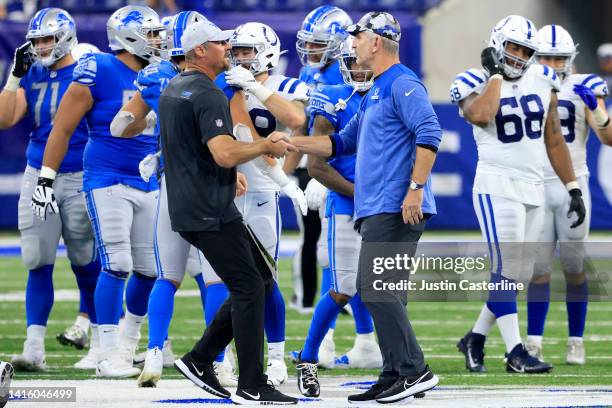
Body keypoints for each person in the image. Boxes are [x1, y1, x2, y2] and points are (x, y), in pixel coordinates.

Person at [284, 11, 441, 404]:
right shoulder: (375, 88)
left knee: (377, 289)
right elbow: (340, 143)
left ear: (377, 41)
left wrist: (415, 190)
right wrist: (291, 144)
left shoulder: (402, 82)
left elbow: (430, 132)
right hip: (376, 205)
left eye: (359, 36)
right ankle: (394, 373)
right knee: (380, 291)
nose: (352, 43)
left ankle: (414, 371)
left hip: (395, 204)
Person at [158, 19, 297, 404]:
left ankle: (200, 359)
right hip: (207, 208)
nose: (228, 49)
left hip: (199, 203)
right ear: (200, 50)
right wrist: (263, 146)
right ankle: (251, 383)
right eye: (220, 43)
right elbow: (223, 151)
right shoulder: (205, 93)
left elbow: (199, 150)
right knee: (250, 287)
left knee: (261, 279)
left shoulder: (177, 87)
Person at [31, 5, 166, 378]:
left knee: (150, 270)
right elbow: (62, 128)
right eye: (151, 33)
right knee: (117, 263)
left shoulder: (164, 71)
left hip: (147, 179)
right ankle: (106, 353)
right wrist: (46, 178)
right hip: (106, 177)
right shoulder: (99, 68)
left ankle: (127, 346)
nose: (157, 40)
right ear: (129, 35)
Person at [450, 15, 586, 374]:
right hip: (497, 184)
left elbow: (553, 137)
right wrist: (495, 75)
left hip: (535, 185)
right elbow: (481, 114)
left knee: (518, 276)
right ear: (497, 43)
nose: (518, 55)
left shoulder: (542, 78)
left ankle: (475, 338)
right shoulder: (472, 80)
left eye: (525, 50)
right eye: (512, 47)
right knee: (504, 270)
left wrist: (572, 186)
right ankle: (515, 352)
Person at [0, 8, 100, 372]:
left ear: (66, 37)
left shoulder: (90, 71)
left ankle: (100, 341)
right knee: (36, 260)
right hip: (35, 172)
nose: (40, 47)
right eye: (36, 40)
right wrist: (14, 78)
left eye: (47, 39)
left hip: (78, 174)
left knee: (86, 262)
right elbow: (5, 119)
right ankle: (34, 347)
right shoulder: (33, 74)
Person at [211, 21, 310, 386]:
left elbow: (296, 119)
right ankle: (222, 356)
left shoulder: (287, 86)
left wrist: (253, 86)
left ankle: (277, 357)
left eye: (247, 51)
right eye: (236, 51)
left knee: (266, 279)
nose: (239, 57)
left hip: (264, 193)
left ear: (267, 51)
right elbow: (238, 134)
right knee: (224, 280)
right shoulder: (224, 85)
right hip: (228, 188)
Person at [295, 36, 383, 397]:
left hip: (383, 205)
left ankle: (399, 364)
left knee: (386, 289)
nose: (359, 69)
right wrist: (360, 194)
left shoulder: (390, 91)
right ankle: (309, 358)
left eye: (363, 62)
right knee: (343, 287)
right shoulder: (332, 94)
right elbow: (317, 164)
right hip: (349, 203)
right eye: (353, 62)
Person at [526, 24, 611, 366]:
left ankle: (576, 340)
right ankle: (534, 342)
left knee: (575, 266)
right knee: (538, 268)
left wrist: (601, 112)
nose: (551, 63)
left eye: (558, 57)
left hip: (573, 184)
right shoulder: (524, 85)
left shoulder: (585, 86)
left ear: (570, 58)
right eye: (545, 56)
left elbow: (608, 138)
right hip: (536, 184)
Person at [287, 5, 351, 319]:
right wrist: (283, 177)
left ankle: (341, 303)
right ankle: (317, 303)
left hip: (341, 166)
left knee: (341, 249)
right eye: (308, 43)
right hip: (314, 165)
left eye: (317, 43)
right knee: (321, 245)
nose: (310, 50)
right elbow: (301, 125)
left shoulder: (350, 71)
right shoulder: (309, 73)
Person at [56, 42, 101, 354]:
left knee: (116, 260)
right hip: (83, 176)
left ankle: (95, 325)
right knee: (87, 258)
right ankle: (87, 322)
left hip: (102, 178)